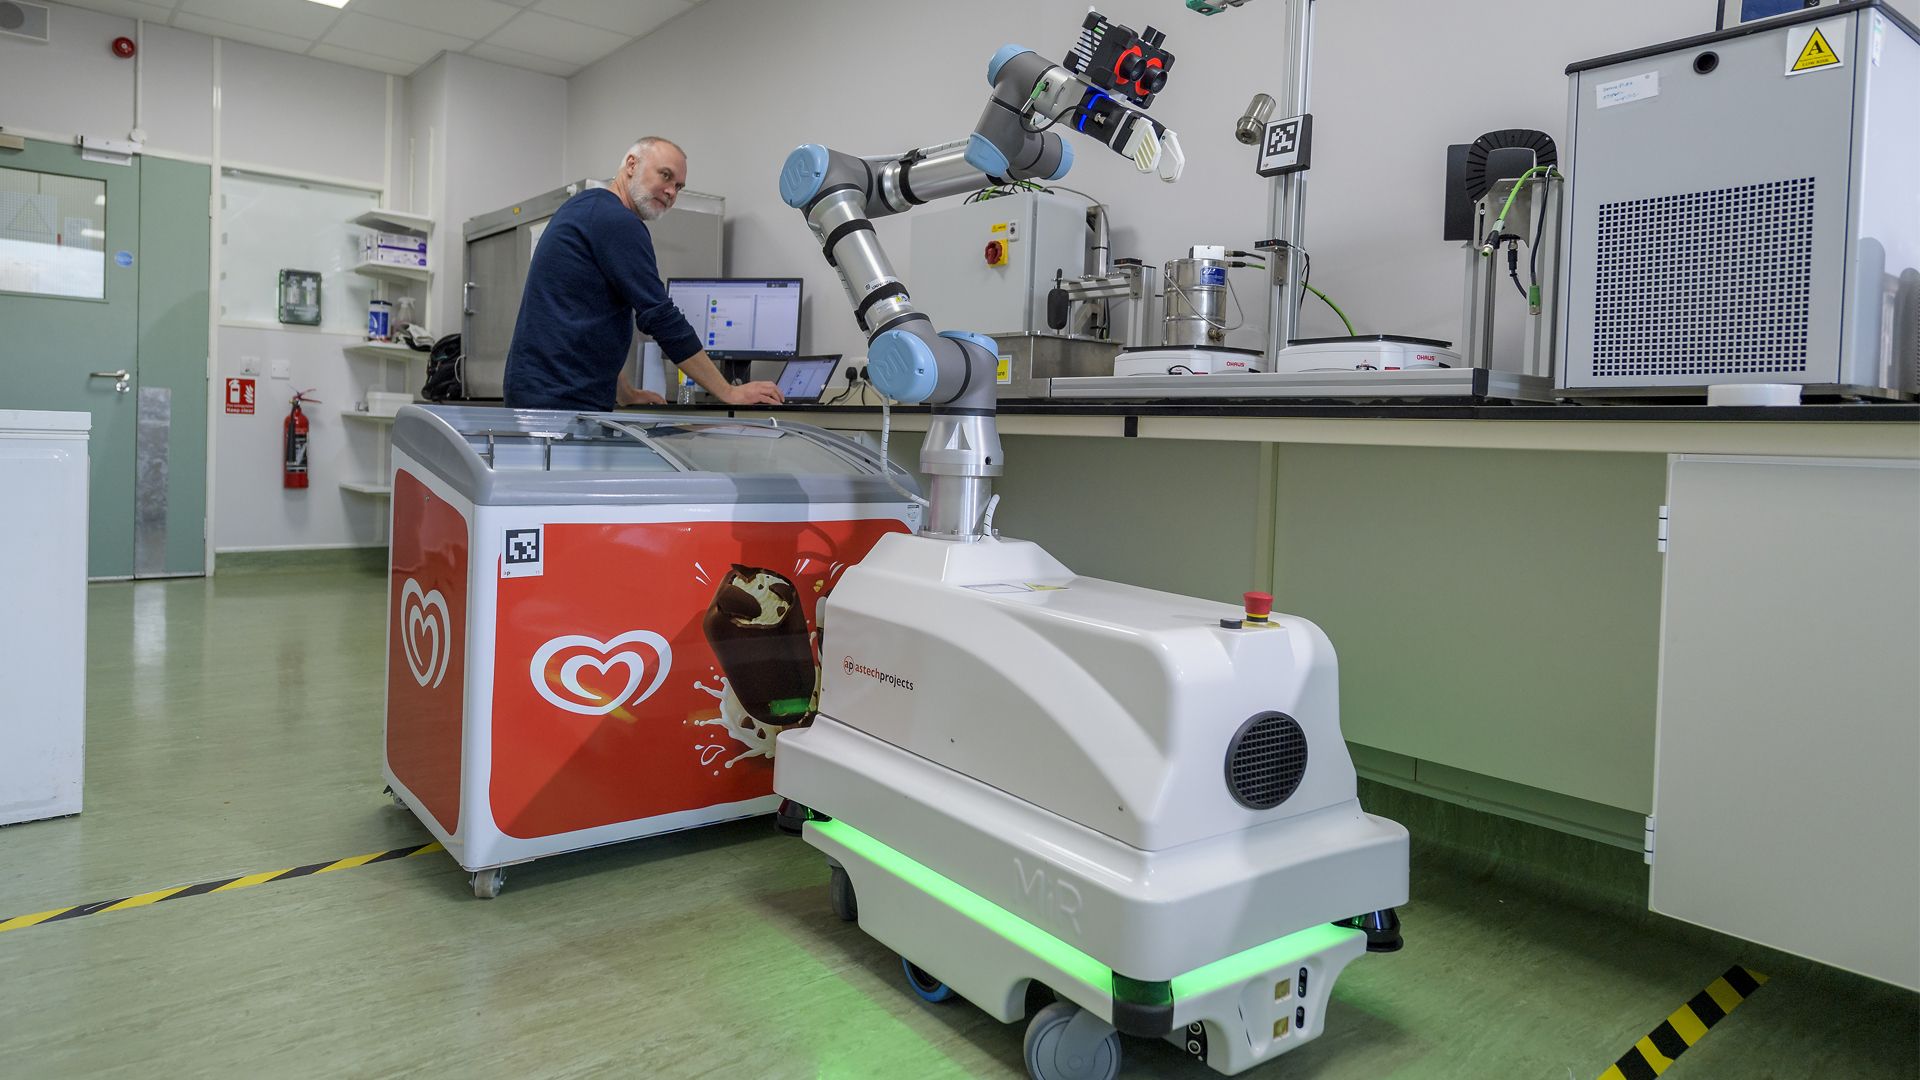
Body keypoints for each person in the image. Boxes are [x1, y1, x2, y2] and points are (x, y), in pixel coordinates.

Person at [502, 136, 784, 411]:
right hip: (559, 402)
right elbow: (660, 316)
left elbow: (585, 322)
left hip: (540, 391)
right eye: (665, 175)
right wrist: (729, 391)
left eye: (678, 186)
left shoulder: (585, 207)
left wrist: (625, 393)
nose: (671, 192)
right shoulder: (617, 221)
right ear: (631, 165)